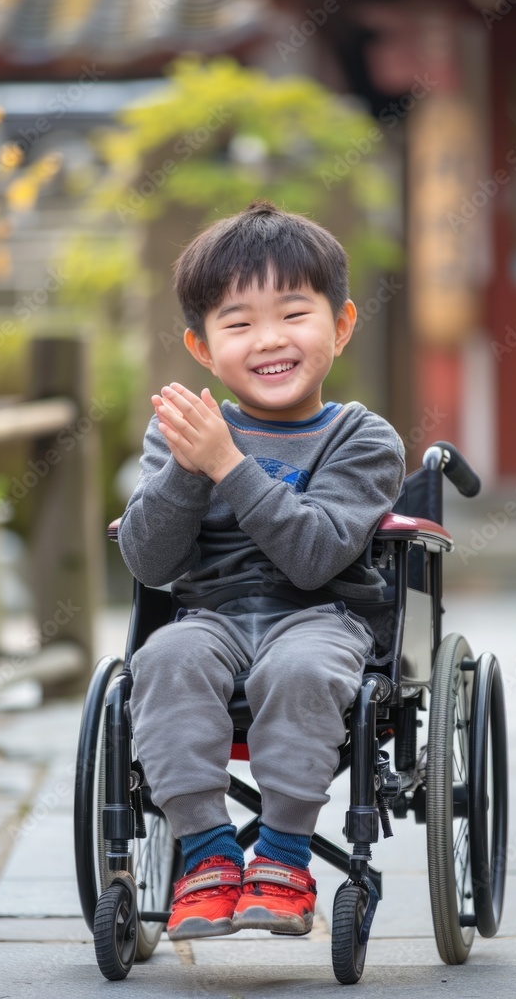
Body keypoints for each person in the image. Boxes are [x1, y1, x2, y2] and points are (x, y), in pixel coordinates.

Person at [118, 199, 405, 942]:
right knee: (164, 656)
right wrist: (189, 467)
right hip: (208, 616)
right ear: (203, 347)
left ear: (340, 325)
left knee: (301, 670)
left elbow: (313, 558)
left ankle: (281, 855)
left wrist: (228, 464)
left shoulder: (363, 438)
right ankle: (207, 855)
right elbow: (150, 562)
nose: (269, 340)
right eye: (238, 323)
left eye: (293, 314)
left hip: (321, 616)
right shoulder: (181, 430)